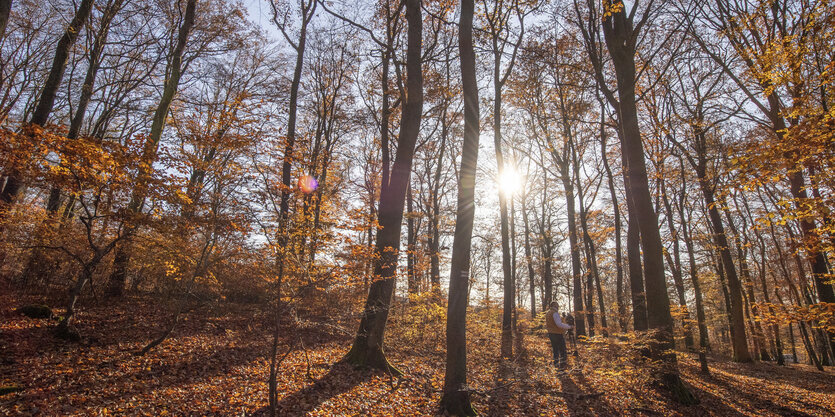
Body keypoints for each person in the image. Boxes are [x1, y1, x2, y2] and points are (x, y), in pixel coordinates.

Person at [545, 301, 573, 369]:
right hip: (557, 333)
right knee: (562, 349)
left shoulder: (548, 313)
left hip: (551, 333)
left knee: (555, 349)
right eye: (557, 305)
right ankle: (563, 364)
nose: (558, 307)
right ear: (554, 306)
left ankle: (556, 364)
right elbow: (559, 324)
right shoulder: (554, 313)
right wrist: (569, 326)